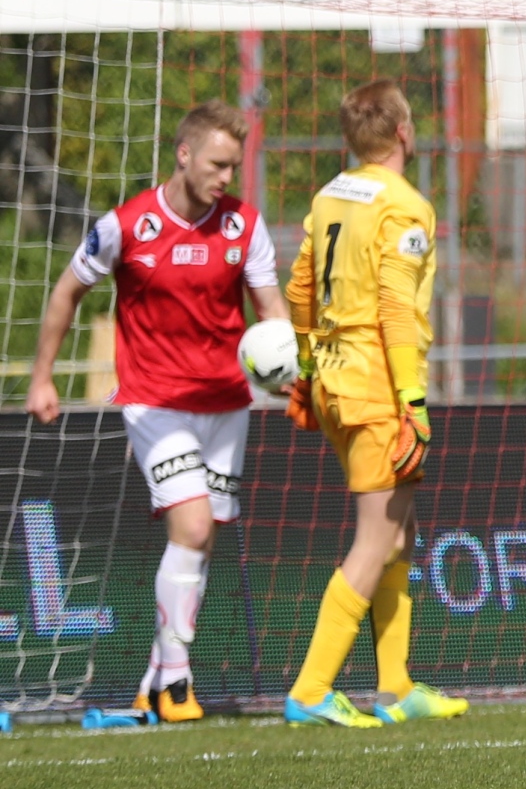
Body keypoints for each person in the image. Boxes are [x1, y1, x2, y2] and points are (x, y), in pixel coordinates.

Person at [27, 101, 287, 727]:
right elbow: (67, 291)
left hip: (227, 405)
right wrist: (42, 376)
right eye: (218, 164)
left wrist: (289, 367)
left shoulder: (244, 227)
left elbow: (271, 311)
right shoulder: (126, 226)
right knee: (192, 528)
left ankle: (153, 679)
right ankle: (175, 682)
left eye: (235, 166)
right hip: (154, 402)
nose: (227, 177)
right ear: (185, 154)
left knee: (200, 543)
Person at [278, 81, 466, 728]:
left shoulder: (331, 194)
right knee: (377, 537)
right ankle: (309, 689)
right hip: (376, 385)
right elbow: (394, 307)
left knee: (401, 531)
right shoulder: (406, 207)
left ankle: (396, 686)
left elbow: (300, 288)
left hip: (332, 380)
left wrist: (305, 368)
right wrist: (413, 401)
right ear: (405, 134)